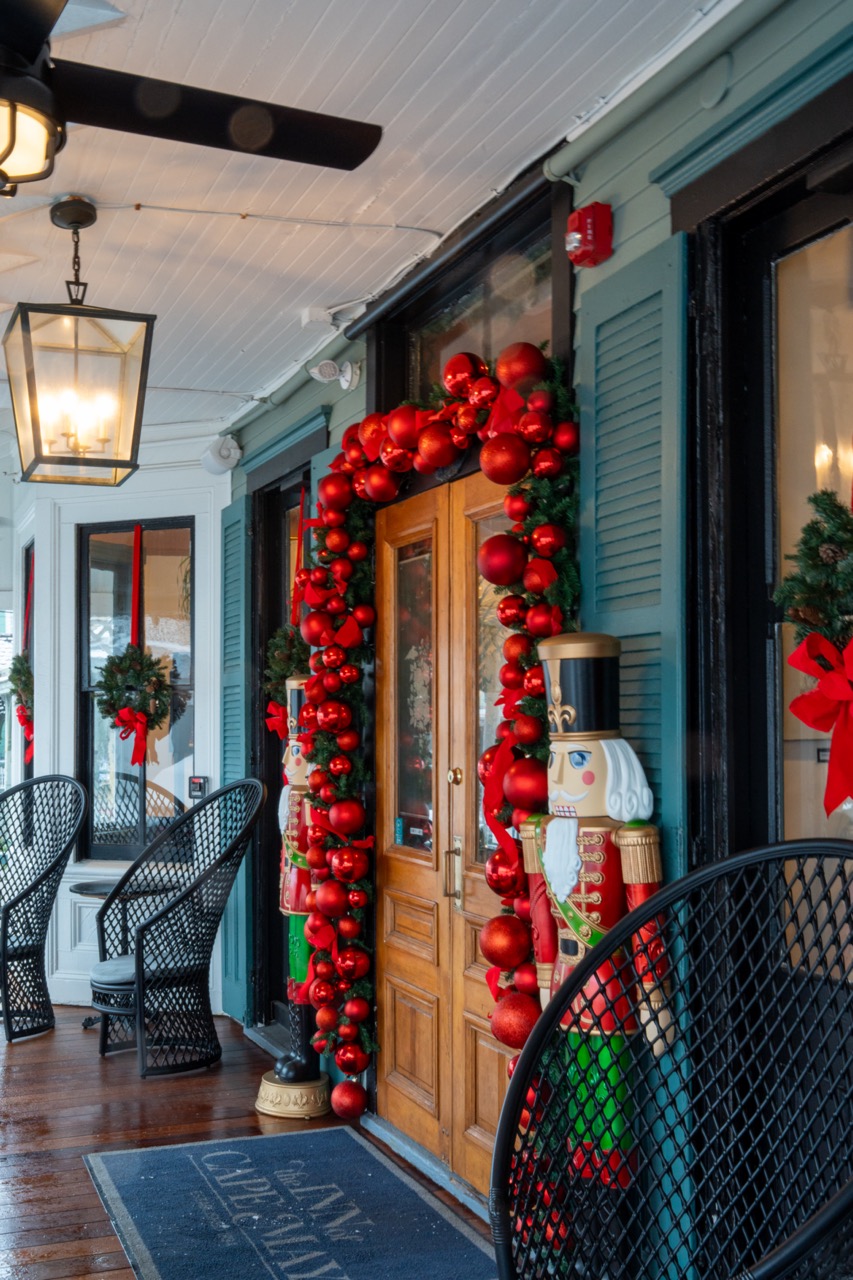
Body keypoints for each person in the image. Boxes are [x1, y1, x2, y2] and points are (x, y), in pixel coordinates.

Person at [520, 632, 669, 1188]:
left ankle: (608, 1202)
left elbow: (645, 917)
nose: (558, 775)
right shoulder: (546, 834)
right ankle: (581, 1196)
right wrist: (541, 980)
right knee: (569, 1091)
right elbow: (540, 909)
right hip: (561, 980)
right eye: (555, 759)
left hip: (610, 987)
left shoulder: (629, 838)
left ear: (612, 766)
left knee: (608, 1103)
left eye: (575, 759)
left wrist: (653, 996)